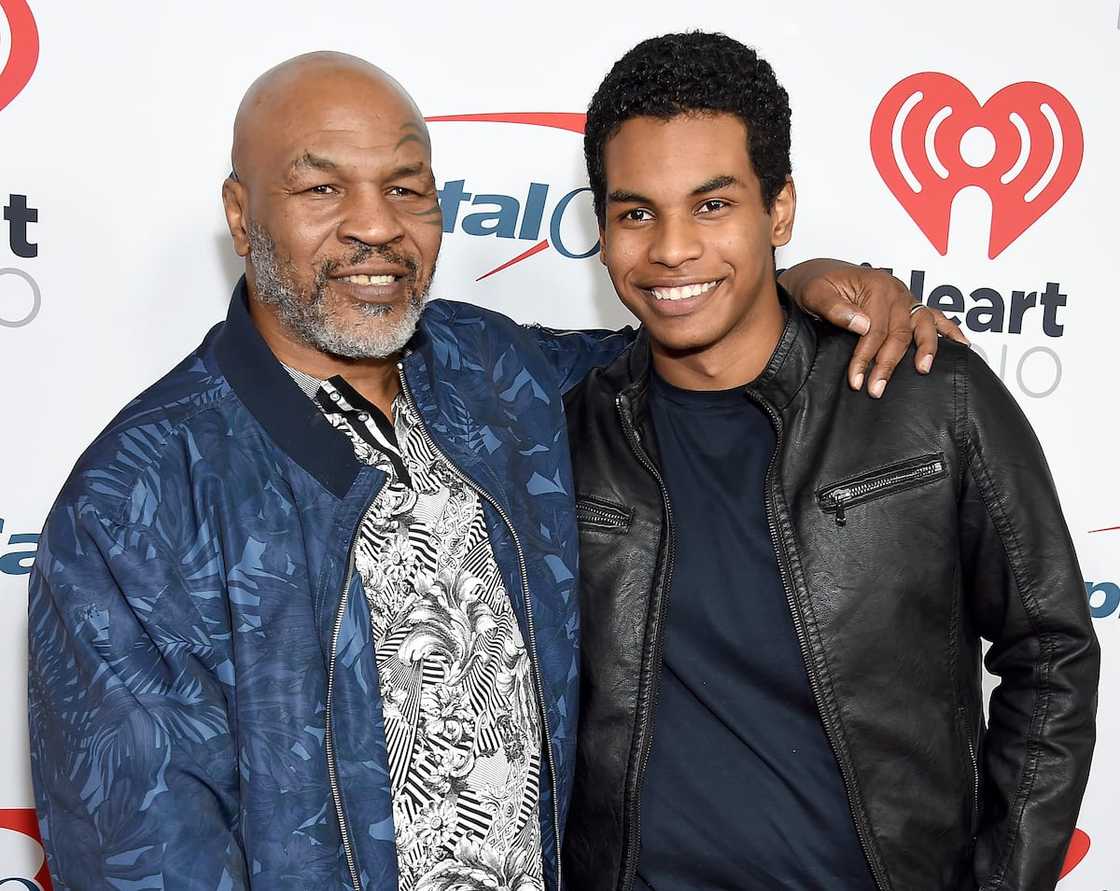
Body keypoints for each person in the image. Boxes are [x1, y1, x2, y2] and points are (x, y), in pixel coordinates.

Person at [29, 51, 961, 890]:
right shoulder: (134, 501)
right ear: (242, 214)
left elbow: (688, 344)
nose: (374, 229)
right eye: (322, 192)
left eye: (406, 188)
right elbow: (144, 860)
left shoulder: (492, 373)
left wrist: (793, 276)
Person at [562, 32, 1099, 891]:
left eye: (711, 205)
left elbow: (1053, 650)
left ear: (779, 210)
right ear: (604, 228)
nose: (670, 248)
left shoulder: (929, 394)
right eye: (636, 213)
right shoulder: (561, 424)